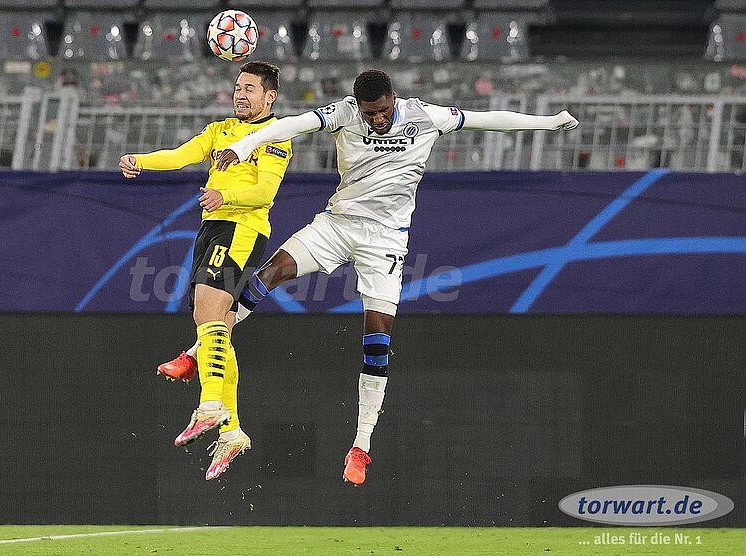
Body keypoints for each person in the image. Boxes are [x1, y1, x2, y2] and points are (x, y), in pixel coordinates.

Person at [157, 69, 578, 485]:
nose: (377, 119)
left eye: (383, 111)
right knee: (266, 276)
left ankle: (360, 446)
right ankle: (197, 352)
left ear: (393, 99)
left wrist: (549, 123)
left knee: (377, 342)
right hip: (337, 224)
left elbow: (488, 119)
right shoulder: (345, 112)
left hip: (385, 241)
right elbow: (292, 125)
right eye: (369, 113)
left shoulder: (424, 116)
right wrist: (245, 144)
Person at [119, 61, 293, 481]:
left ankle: (211, 405)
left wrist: (224, 195)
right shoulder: (220, 130)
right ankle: (231, 430)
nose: (240, 94)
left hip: (241, 228)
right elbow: (180, 156)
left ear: (269, 97)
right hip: (214, 227)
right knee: (215, 325)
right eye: (238, 87)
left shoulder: (275, 136)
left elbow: (265, 191)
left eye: (250, 88)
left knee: (207, 313)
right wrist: (140, 160)